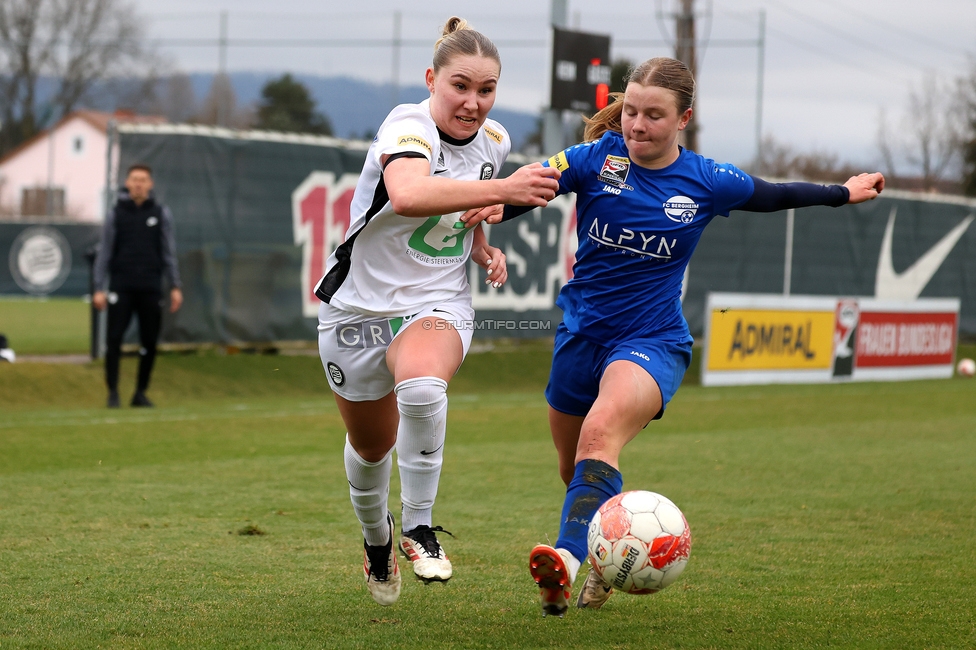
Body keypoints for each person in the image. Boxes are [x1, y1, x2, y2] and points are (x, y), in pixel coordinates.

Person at [463, 56, 884, 617]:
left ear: (684, 117)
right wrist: (499, 204)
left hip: (652, 340)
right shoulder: (596, 158)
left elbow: (776, 193)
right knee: (574, 469)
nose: (637, 125)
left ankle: (565, 559)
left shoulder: (708, 181)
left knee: (599, 431)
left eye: (653, 116)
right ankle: (606, 552)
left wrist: (843, 191)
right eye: (631, 111)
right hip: (580, 336)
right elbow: (534, 185)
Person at [314, 16, 560, 607]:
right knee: (371, 449)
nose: (474, 103)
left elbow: (454, 215)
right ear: (432, 79)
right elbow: (410, 195)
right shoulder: (407, 125)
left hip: (435, 302)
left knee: (424, 386)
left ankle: (420, 528)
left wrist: (481, 247)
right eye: (461, 86)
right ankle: (377, 543)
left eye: (487, 89)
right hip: (356, 315)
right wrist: (503, 192)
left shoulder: (494, 142)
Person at [93, 164, 182, 408]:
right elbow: (105, 253)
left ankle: (140, 392)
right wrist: (98, 287)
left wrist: (175, 285)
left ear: (150, 184)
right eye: (134, 179)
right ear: (127, 182)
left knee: (149, 342)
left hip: (150, 287)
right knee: (114, 340)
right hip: (122, 286)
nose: (139, 184)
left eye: (143, 180)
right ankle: (113, 392)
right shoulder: (116, 214)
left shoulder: (160, 213)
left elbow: (168, 253)